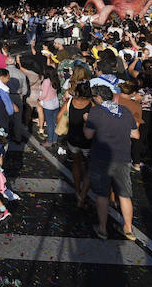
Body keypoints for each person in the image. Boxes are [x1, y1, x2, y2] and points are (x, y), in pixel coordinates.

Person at [83, 84, 138, 241]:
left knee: (102, 194)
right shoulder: (125, 110)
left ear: (99, 98)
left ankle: (102, 229)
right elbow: (136, 134)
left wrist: (86, 121)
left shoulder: (96, 111)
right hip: (123, 157)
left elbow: (88, 135)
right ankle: (128, 228)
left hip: (102, 158)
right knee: (124, 195)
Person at [58, 79, 92, 207]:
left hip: (72, 138)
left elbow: (59, 117)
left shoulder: (70, 101)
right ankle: (83, 195)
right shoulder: (92, 104)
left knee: (76, 164)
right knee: (90, 167)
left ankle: (77, 191)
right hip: (88, 140)